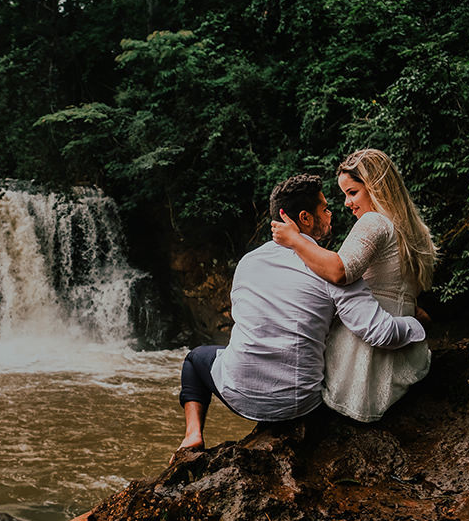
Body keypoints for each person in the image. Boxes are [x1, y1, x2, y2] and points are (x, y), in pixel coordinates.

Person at [174, 173, 427, 456]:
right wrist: (415, 324)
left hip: (240, 394)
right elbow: (378, 332)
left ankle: (193, 435)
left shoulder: (248, 262)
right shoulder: (333, 271)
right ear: (305, 218)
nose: (333, 213)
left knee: (195, 360)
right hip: (300, 405)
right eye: (325, 209)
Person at [270, 149, 437, 422]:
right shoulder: (411, 229)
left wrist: (294, 239)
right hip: (401, 343)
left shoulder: (374, 222)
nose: (347, 203)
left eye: (353, 192)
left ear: (376, 186)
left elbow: (339, 271)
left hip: (367, 351)